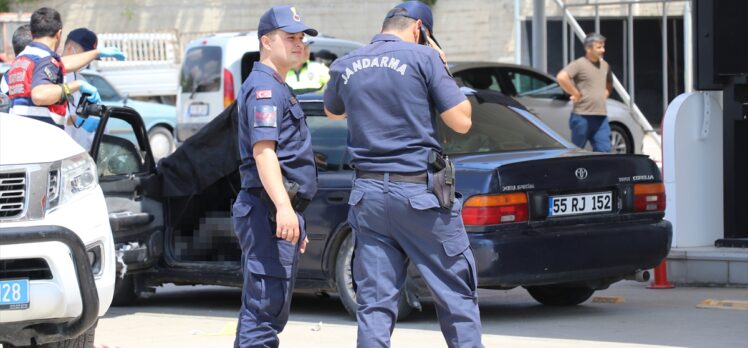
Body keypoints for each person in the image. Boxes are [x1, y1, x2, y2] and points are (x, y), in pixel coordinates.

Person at [323, 2, 482, 348]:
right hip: (418, 196)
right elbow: (463, 121)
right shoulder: (425, 59)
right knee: (455, 294)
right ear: (420, 30)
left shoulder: (346, 63)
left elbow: (331, 111)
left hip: (368, 198)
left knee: (375, 306)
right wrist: (443, 65)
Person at [232, 5, 318, 347]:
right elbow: (264, 152)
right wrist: (283, 207)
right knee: (265, 312)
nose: (299, 45)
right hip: (267, 210)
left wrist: (292, 214)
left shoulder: (277, 86)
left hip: (275, 210)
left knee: (263, 310)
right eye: (290, 38)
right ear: (266, 42)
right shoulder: (264, 89)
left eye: (301, 38)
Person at [556, 32, 613, 153]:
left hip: (601, 117)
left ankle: (600, 172)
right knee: (576, 151)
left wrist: (605, 95)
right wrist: (575, 93)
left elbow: (609, 83)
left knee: (604, 150)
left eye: (603, 46)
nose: (603, 50)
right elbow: (562, 77)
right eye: (599, 47)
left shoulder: (605, 65)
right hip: (582, 116)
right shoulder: (579, 64)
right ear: (588, 48)